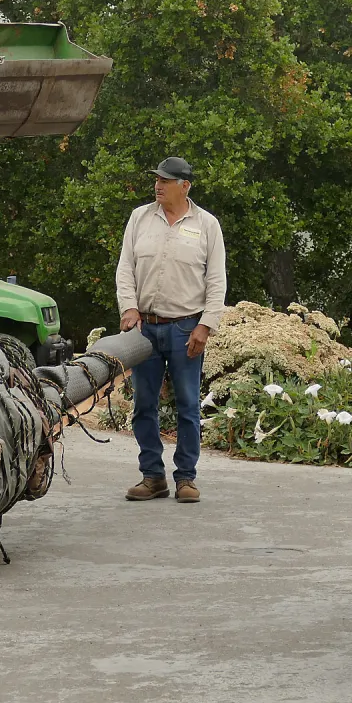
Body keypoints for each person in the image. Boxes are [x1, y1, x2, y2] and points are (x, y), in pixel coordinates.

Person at [116, 156, 227, 504]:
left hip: (185, 329)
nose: (158, 185)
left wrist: (205, 326)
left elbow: (216, 281)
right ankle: (152, 477)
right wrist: (129, 308)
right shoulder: (139, 218)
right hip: (145, 329)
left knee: (188, 406)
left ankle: (186, 478)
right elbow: (125, 270)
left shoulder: (207, 225)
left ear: (185, 186)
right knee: (143, 405)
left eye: (165, 180)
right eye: (156, 179)